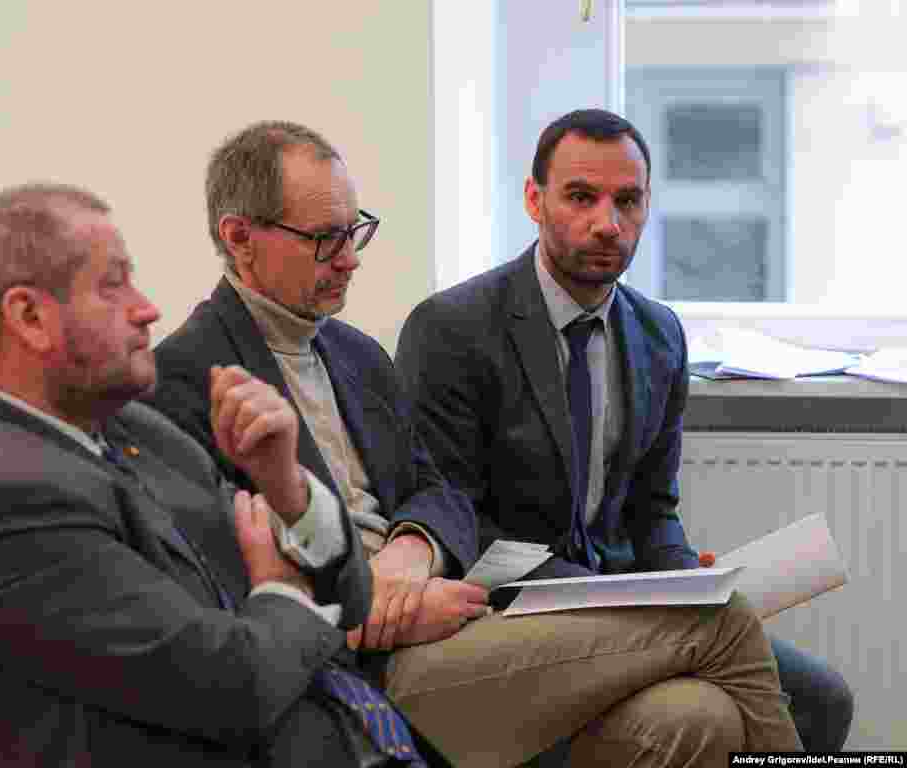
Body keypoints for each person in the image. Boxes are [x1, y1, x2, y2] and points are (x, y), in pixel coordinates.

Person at [149, 119, 804, 767]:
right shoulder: (184, 380)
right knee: (719, 620)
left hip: (445, 617)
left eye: (354, 232)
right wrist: (378, 607)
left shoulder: (355, 353)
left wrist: (412, 551)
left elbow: (439, 492)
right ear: (239, 238)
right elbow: (223, 591)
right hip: (366, 658)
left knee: (697, 717)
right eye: (326, 239)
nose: (350, 258)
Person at [0, 183, 454, 767]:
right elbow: (237, 687)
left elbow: (351, 595)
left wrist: (287, 489)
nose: (147, 309)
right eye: (113, 285)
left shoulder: (136, 428)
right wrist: (284, 590)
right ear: (30, 317)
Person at [395, 108, 855, 753]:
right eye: (581, 197)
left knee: (824, 698)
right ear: (534, 200)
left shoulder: (657, 333)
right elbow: (453, 516)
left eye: (627, 201)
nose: (607, 223)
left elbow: (652, 509)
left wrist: (683, 577)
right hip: (506, 611)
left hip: (629, 599)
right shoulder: (452, 328)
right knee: (713, 695)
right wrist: (616, 596)